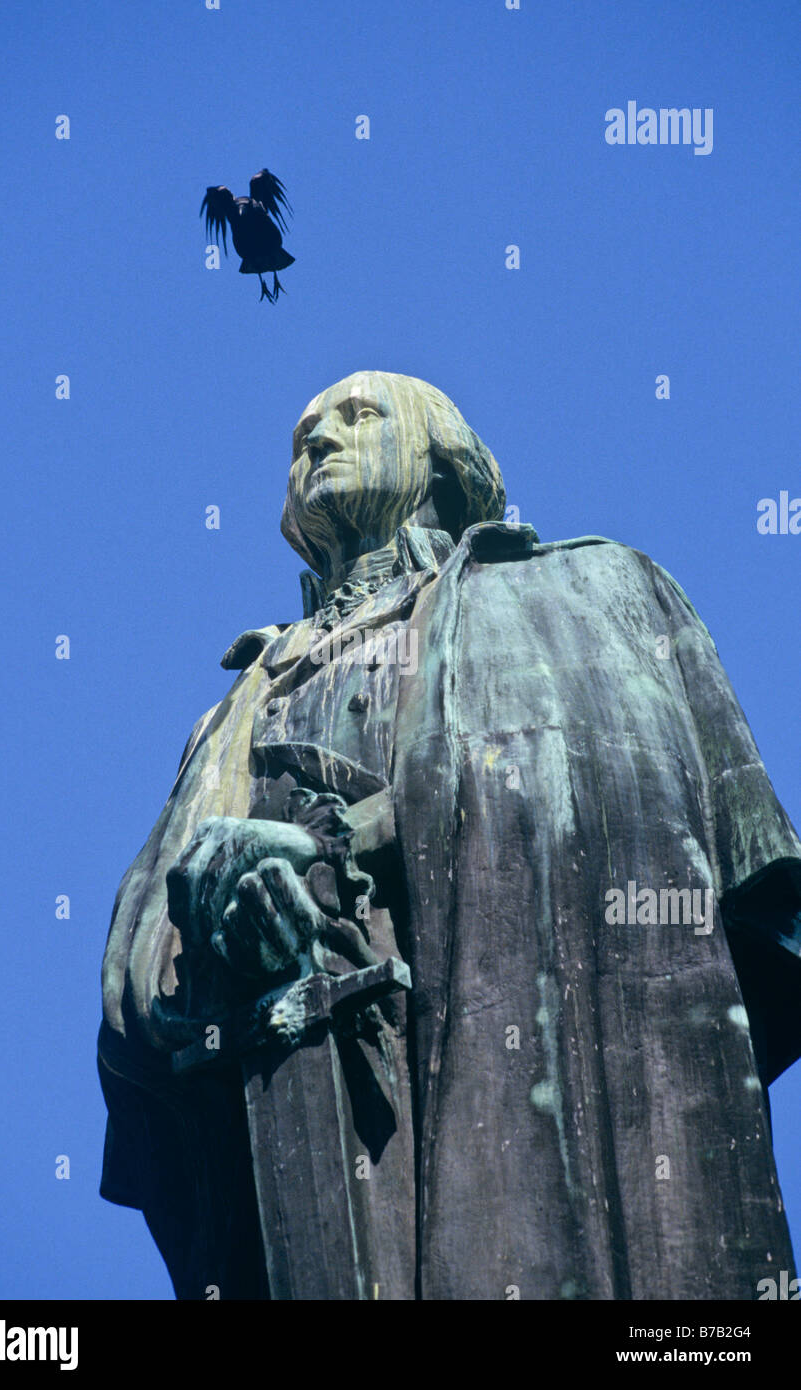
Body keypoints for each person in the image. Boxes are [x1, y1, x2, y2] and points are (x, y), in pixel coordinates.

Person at [100, 370, 801, 1299]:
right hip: (316, 1133)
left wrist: (351, 838)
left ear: (442, 456)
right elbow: (138, 980)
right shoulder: (238, 702)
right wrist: (217, 915)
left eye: (358, 417)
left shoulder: (600, 590)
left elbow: (753, 895)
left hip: (555, 1129)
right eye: (304, 432)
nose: (318, 439)